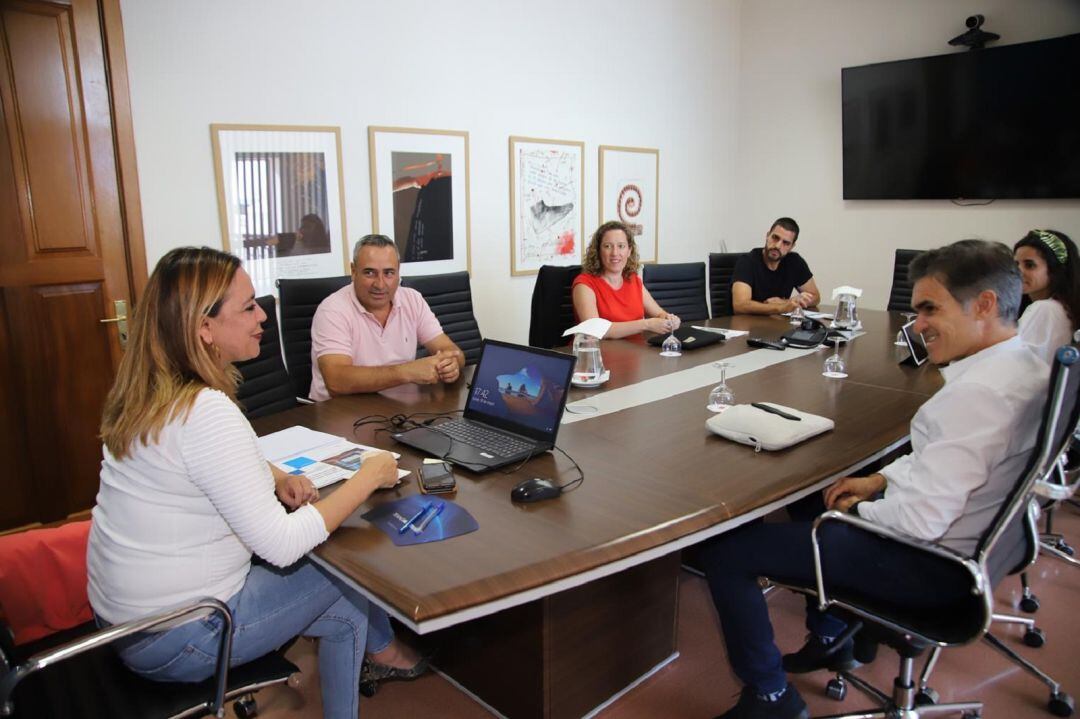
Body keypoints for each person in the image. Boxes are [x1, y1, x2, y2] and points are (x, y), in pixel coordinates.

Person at [701, 239, 1048, 719]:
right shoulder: (1027, 364)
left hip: (924, 566)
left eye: (930, 309)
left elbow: (919, 519)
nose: (918, 325)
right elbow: (950, 460)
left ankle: (770, 696)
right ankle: (831, 636)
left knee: (725, 550)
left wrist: (858, 511)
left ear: (985, 305)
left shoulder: (977, 395)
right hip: (972, 547)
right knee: (821, 492)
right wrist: (878, 480)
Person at [86, 247, 423, 719]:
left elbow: (191, 463)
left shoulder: (145, 395)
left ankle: (372, 661)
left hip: (119, 623)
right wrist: (370, 476)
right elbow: (282, 546)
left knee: (345, 612)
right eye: (247, 307)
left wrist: (276, 476)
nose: (262, 315)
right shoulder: (206, 411)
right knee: (354, 571)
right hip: (182, 637)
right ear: (205, 328)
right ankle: (387, 648)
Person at [309, 234, 465, 400]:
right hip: (337, 412)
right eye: (370, 273)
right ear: (353, 271)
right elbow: (336, 381)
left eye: (389, 273)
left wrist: (451, 364)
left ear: (398, 272)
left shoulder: (412, 300)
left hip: (394, 408)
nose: (380, 284)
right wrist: (407, 372)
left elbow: (452, 351)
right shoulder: (332, 310)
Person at [571, 220, 682, 338]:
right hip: (597, 353)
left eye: (621, 246)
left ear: (629, 251)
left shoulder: (633, 280)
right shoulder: (584, 284)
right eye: (607, 246)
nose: (615, 252)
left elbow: (659, 313)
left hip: (636, 352)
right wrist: (647, 324)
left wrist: (670, 319)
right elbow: (595, 330)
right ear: (598, 251)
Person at [1013, 229, 1080, 364]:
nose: (1018, 272)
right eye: (1015, 265)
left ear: (1055, 270)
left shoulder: (1044, 309)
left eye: (1029, 265)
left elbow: (1015, 365)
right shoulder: (1064, 307)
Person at [731, 218, 820, 315]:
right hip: (746, 325)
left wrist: (785, 302)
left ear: (792, 246)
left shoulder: (795, 262)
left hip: (777, 325)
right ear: (767, 235)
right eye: (775, 237)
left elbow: (815, 297)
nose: (778, 245)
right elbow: (740, 305)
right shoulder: (747, 262)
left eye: (785, 243)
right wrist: (781, 308)